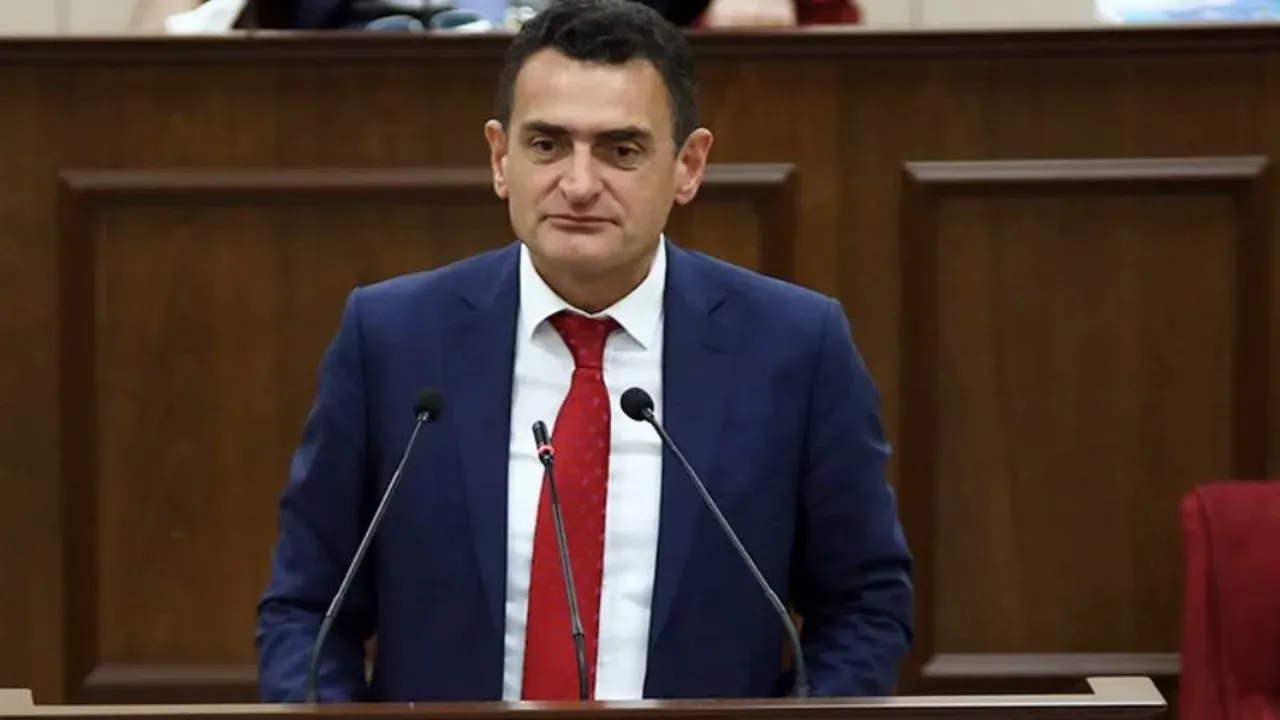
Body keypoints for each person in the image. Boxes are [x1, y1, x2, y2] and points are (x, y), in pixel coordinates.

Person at [254, 0, 912, 703]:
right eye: (547, 145)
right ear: (500, 159)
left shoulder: (794, 347)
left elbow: (865, 606)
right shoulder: (393, 338)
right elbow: (306, 609)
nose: (578, 184)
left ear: (688, 166)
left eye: (621, 150)